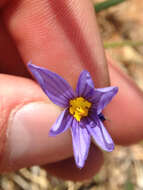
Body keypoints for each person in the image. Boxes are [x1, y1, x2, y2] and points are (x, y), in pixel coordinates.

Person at [0, 0, 143, 181]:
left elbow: (105, 94)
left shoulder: (81, 103)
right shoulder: (78, 100)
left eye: (82, 110)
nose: (81, 110)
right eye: (81, 109)